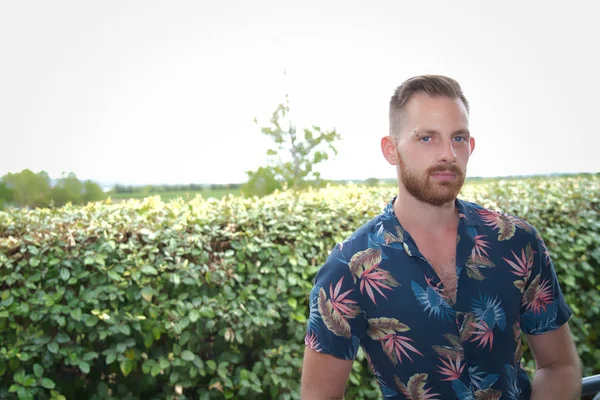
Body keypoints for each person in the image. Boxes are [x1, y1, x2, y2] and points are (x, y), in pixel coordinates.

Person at [300, 75, 581, 399]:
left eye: (458, 138)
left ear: (470, 146)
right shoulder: (350, 269)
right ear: (391, 150)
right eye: (426, 138)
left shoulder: (517, 242)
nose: (447, 153)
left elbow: (559, 364)